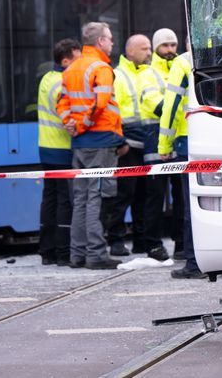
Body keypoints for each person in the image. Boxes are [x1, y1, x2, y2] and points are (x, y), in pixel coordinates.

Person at [58, 22, 125, 270]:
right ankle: (96, 254)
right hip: (100, 141)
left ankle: (78, 254)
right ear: (100, 42)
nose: (112, 43)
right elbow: (101, 103)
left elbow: (61, 103)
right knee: (96, 198)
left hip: (80, 144)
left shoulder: (72, 68)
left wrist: (71, 125)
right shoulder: (101, 68)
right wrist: (83, 124)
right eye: (109, 39)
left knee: (81, 198)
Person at [101, 34, 159, 258]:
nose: (149, 53)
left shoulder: (149, 72)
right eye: (144, 49)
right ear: (131, 51)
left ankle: (140, 241)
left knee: (144, 195)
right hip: (128, 143)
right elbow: (111, 110)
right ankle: (116, 239)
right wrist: (120, 141)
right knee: (124, 193)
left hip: (148, 142)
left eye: (149, 48)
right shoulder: (118, 75)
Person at [158, 48, 205, 279]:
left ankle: (195, 263)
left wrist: (164, 145)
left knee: (191, 203)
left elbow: (171, 106)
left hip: (190, 142)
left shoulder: (183, 62)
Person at [36, 38, 81, 266]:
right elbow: (68, 117)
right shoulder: (61, 82)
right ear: (65, 61)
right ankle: (63, 253)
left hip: (46, 147)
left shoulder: (46, 78)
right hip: (62, 148)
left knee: (50, 199)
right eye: (76, 59)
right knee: (65, 201)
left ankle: (47, 251)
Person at [140, 28, 181, 259]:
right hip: (155, 139)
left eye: (173, 45)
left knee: (181, 196)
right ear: (156, 48)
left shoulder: (180, 69)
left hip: (179, 139)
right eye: (165, 46)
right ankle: (153, 244)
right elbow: (155, 104)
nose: (169, 50)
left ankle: (182, 244)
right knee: (155, 196)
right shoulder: (147, 74)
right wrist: (177, 109)